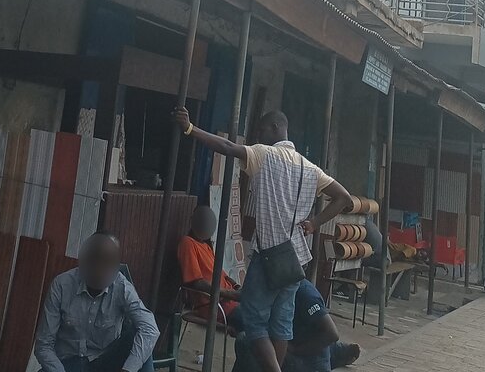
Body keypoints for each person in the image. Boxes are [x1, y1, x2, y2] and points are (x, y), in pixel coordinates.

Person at [172, 107, 352, 372]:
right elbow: (344, 199)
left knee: (255, 322)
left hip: (269, 256)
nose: (259, 135)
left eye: (262, 130)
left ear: (277, 127)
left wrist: (190, 129)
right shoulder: (310, 168)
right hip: (295, 261)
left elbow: (226, 146)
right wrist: (314, 223)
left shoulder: (265, 155)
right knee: (281, 324)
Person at [34, 232, 159, 372]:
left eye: (107, 262)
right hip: (67, 364)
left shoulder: (122, 287)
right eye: (95, 259)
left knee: (140, 343)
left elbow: (150, 329)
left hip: (105, 361)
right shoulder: (61, 285)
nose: (100, 268)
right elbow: (43, 345)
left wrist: (128, 370)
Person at [232, 280, 359, 372]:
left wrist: (295, 349)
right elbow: (247, 296)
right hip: (297, 343)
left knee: (247, 340)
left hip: (307, 359)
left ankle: (333, 354)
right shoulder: (274, 283)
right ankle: (338, 352)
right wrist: (218, 290)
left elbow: (332, 334)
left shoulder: (304, 292)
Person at [176, 207, 240, 324]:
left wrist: (237, 287)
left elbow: (223, 275)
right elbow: (196, 282)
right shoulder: (188, 243)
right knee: (257, 323)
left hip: (232, 301)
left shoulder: (207, 247)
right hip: (216, 305)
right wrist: (227, 294)